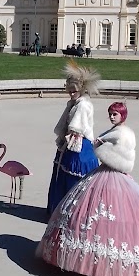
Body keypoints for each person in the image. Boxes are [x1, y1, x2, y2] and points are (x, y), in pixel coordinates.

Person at [37, 102, 139, 276]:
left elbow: (124, 160)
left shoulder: (124, 134)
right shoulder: (116, 131)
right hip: (103, 172)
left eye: (115, 114)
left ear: (123, 115)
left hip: (114, 175)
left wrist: (100, 148)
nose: (112, 116)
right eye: (110, 113)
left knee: (110, 214)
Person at [46, 61, 100, 216]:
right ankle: (60, 210)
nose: (70, 93)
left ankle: (73, 212)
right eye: (69, 90)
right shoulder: (74, 103)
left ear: (81, 89)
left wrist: (67, 139)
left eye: (73, 91)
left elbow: (76, 128)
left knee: (73, 179)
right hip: (70, 144)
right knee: (62, 175)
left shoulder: (83, 105)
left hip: (80, 147)